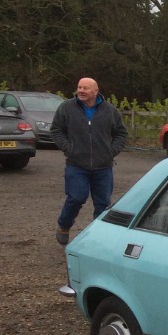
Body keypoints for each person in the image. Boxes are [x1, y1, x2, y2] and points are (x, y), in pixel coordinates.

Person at [50, 77, 128, 246]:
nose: (81, 91)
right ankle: (64, 225)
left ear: (95, 91)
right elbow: (56, 130)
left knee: (103, 203)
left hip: (103, 167)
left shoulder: (110, 110)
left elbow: (121, 134)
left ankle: (98, 237)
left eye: (85, 88)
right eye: (79, 87)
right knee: (76, 197)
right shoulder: (67, 108)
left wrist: (111, 151)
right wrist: (68, 148)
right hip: (77, 164)